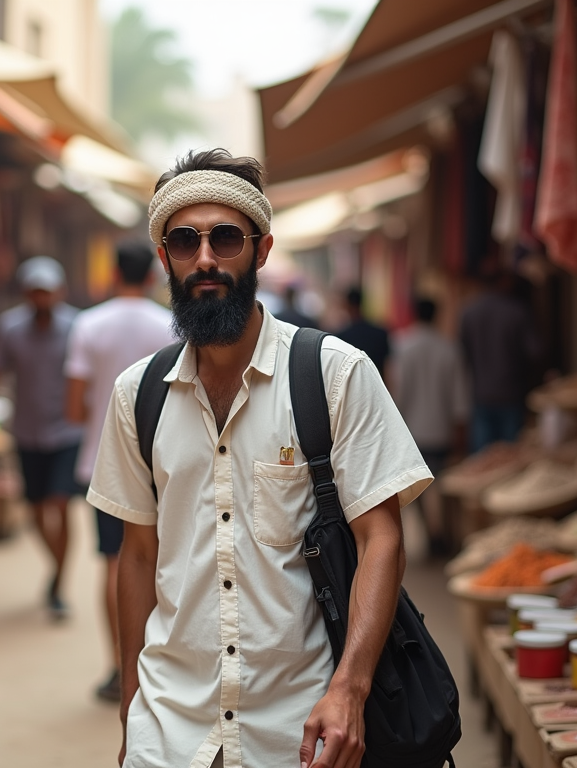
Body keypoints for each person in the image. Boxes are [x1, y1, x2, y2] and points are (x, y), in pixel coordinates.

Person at [86, 148, 431, 768]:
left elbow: (383, 539)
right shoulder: (136, 395)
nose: (206, 258)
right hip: (170, 732)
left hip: (299, 730)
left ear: (262, 250)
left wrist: (349, 689)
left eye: (225, 238)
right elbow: (136, 557)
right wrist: (132, 712)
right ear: (164, 257)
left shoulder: (335, 374)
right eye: (185, 241)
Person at [63, 242, 174, 703]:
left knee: (116, 562)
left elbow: (73, 407)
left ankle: (118, 666)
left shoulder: (88, 324)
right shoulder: (171, 325)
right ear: (153, 275)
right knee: (166, 563)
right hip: (165, 463)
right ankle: (162, 666)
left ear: (113, 274)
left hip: (102, 461)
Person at [0, 255, 82, 620]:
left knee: (60, 504)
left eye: (47, 292)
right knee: (35, 510)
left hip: (66, 431)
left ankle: (59, 583)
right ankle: (55, 566)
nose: (41, 299)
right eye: (34, 292)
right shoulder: (10, 328)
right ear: (26, 294)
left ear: (59, 292)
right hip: (27, 431)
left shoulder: (77, 328)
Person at [389, 298, 470, 557]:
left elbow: (398, 392)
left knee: (418, 487)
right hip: (441, 429)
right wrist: (460, 428)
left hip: (411, 429)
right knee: (443, 485)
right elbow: (459, 394)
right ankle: (444, 534)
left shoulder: (402, 346)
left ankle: (429, 532)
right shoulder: (449, 348)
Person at [459, 268, 541, 452]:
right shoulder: (517, 312)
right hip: (510, 392)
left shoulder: (469, 313)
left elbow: (463, 353)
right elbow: (535, 352)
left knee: (481, 461)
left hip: (481, 392)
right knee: (510, 459)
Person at [336, 287, 391, 382]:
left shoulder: (342, 336)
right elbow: (387, 368)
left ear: (347, 305)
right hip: (377, 384)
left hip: (353, 386)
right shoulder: (380, 333)